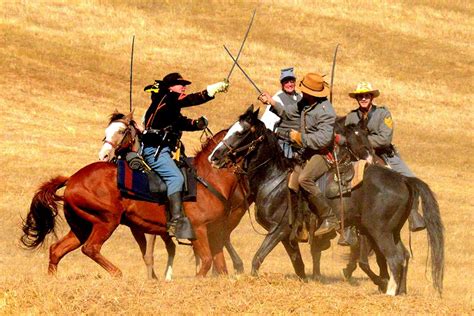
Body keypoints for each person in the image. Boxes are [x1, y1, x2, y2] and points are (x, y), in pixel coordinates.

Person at [141, 72, 229, 239]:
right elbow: (190, 100)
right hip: (155, 151)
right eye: (180, 84)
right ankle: (175, 221)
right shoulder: (167, 98)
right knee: (176, 179)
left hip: (165, 151)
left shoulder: (169, 106)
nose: (184, 87)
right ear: (170, 87)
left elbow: (180, 122)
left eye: (184, 84)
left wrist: (197, 124)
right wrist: (211, 91)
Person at [342, 82, 425, 232]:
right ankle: (348, 225)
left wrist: (363, 141)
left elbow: (385, 138)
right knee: (343, 184)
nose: (363, 98)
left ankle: (413, 214)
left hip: (384, 153)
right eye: (360, 96)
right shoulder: (351, 117)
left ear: (372, 97)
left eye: (366, 95)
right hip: (358, 156)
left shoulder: (383, 114)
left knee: (412, 179)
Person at [288, 73, 339, 237]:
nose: (301, 92)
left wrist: (300, 138)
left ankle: (329, 217)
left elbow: (323, 140)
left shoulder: (326, 111)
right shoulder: (306, 102)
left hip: (324, 153)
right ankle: (299, 222)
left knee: (304, 179)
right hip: (308, 150)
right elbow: (290, 111)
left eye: (304, 90)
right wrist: (272, 103)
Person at [258, 67, 302, 159]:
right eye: (286, 82)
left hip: (301, 143)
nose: (290, 84)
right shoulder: (277, 98)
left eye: (292, 81)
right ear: (282, 84)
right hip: (284, 144)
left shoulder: (300, 97)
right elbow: (267, 124)